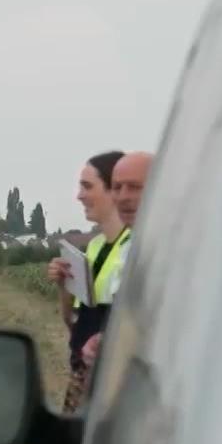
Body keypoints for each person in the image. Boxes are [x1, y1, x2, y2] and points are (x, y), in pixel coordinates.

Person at [45, 150, 127, 410]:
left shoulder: (135, 248)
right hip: (83, 374)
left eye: (87, 186)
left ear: (114, 190)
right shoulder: (94, 247)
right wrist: (64, 287)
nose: (79, 196)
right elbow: (74, 323)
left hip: (112, 384)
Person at [80, 150, 150, 370]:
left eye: (134, 187)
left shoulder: (179, 249)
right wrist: (104, 341)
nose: (122, 197)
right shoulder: (129, 249)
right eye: (117, 188)